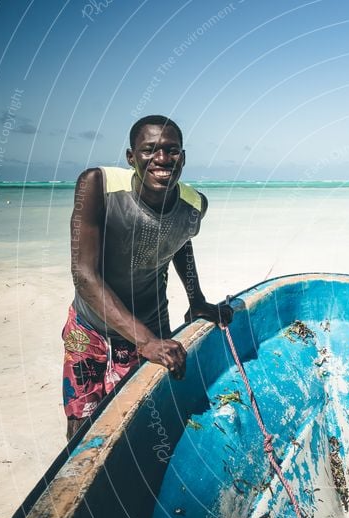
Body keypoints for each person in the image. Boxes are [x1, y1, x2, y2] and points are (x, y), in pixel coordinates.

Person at [62, 115, 233, 440]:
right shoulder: (98, 186)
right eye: (150, 150)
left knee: (142, 425)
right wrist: (147, 340)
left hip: (149, 325)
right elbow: (83, 275)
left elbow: (181, 244)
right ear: (131, 157)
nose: (162, 159)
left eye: (172, 150)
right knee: (80, 425)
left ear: (182, 157)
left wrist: (196, 299)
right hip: (89, 328)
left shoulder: (195, 204)